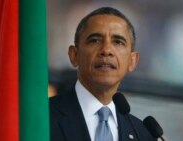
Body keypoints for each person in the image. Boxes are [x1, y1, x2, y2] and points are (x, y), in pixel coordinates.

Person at [50, 7, 154, 141]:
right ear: (74, 55)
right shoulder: (42, 118)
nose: (106, 50)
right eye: (95, 40)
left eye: (118, 42)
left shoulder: (143, 134)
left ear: (132, 61)